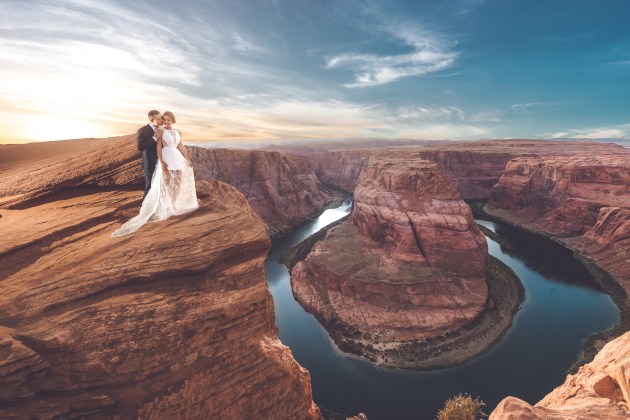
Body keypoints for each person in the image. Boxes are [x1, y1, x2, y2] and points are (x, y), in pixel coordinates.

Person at [112, 111, 199, 237]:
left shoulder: (177, 132)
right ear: (153, 119)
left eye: (167, 119)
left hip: (177, 157)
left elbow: (181, 146)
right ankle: (150, 210)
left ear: (173, 120)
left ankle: (173, 204)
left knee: (178, 182)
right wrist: (162, 161)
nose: (164, 121)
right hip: (165, 157)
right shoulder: (159, 131)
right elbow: (154, 147)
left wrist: (188, 159)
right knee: (161, 183)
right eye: (163, 119)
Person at [136, 110, 162, 198]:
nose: (161, 120)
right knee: (150, 185)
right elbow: (140, 147)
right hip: (150, 162)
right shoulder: (142, 130)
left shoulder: (162, 129)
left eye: (161, 117)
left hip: (163, 161)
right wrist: (154, 137)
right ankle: (146, 209)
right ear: (152, 120)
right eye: (158, 119)